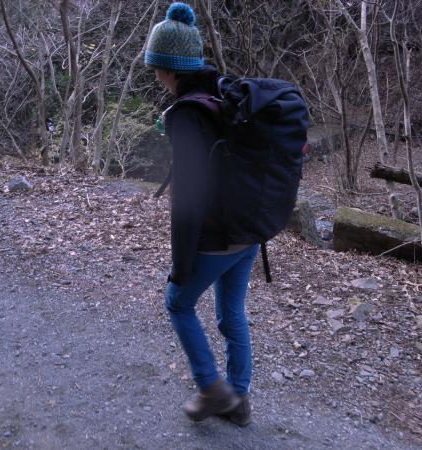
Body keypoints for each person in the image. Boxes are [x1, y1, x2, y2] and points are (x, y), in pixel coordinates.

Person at [144, 2, 257, 426]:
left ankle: (211, 387)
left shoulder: (188, 115)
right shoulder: (224, 91)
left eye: (156, 66)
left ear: (168, 67)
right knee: (231, 313)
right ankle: (239, 399)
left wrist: (180, 265)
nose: (155, 74)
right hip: (251, 228)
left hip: (219, 235)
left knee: (178, 303)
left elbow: (187, 200)